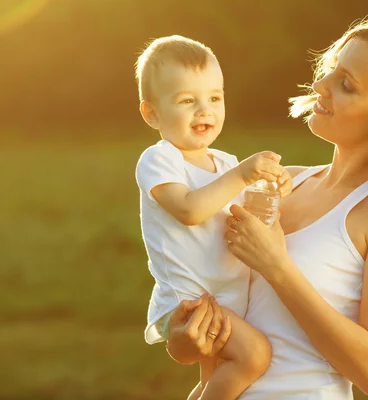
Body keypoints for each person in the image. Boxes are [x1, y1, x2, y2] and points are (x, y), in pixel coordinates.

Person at [164, 12, 368, 399]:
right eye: (331, 70)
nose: (319, 85)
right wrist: (183, 338)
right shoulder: (282, 181)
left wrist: (277, 266)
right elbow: (217, 319)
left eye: (346, 84)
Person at [134, 35, 293, 400]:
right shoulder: (160, 159)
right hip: (189, 300)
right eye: (187, 101)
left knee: (213, 383)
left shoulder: (223, 163)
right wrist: (242, 174)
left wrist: (273, 187)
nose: (204, 110)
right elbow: (189, 210)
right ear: (152, 113)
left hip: (226, 297)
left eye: (214, 98)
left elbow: (241, 215)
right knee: (254, 355)